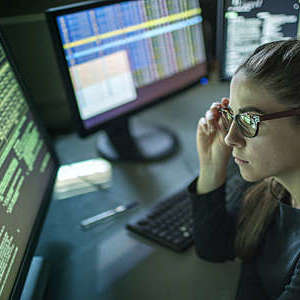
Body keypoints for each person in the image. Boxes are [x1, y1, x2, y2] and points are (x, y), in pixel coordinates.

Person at [188, 39, 300, 299]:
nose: (230, 138)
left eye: (250, 120)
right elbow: (214, 247)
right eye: (231, 115)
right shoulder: (272, 187)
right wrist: (212, 165)